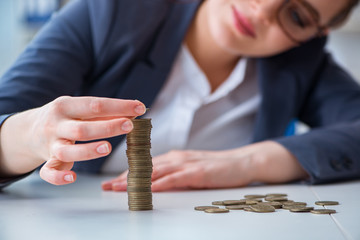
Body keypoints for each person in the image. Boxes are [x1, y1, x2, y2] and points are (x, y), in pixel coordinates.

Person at [0, 0, 359, 191]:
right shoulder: (108, 11)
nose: (262, 9)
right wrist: (28, 136)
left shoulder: (302, 63)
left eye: (295, 14)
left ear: (316, 32)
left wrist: (252, 162)